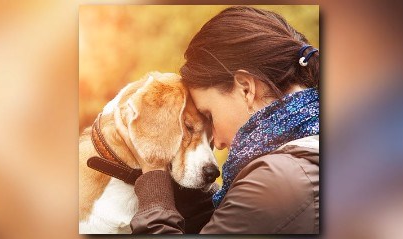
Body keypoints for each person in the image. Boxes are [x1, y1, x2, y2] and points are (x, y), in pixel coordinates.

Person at [115, 6, 319, 234]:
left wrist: (154, 175)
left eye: (210, 116)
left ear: (245, 88)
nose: (219, 143)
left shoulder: (277, 181)